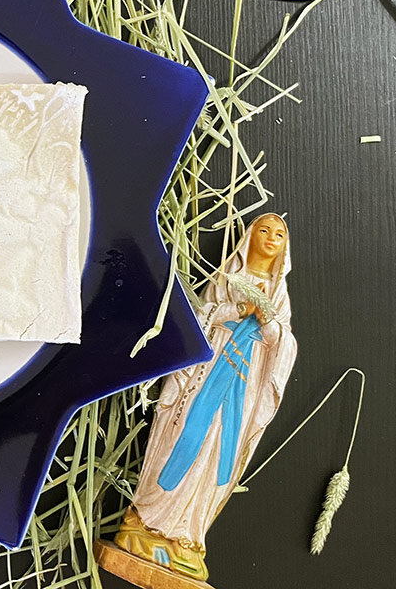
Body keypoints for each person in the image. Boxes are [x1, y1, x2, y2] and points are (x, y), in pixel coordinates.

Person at [115, 214, 297, 581]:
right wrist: (237, 310)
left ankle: (187, 538)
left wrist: (270, 324)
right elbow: (199, 317)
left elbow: (286, 346)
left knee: (218, 457)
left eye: (279, 233)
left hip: (240, 389)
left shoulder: (279, 294)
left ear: (285, 247)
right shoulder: (228, 278)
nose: (271, 237)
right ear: (249, 236)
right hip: (205, 377)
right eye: (263, 229)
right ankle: (144, 521)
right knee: (184, 437)